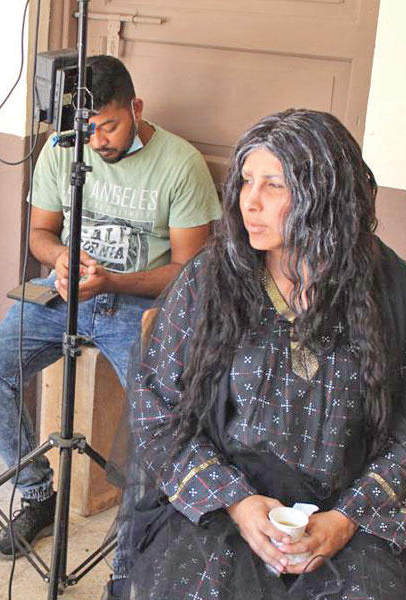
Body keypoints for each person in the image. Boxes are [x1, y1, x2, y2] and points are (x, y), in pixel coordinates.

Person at [111, 109, 406, 599]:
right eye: (246, 180)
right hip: (227, 506)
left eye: (274, 185)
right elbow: (157, 411)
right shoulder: (210, 281)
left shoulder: (389, 290)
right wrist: (238, 503)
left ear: (326, 193)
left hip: (352, 513)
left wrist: (346, 519)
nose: (249, 201)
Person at [0, 55, 222, 559]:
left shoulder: (181, 164)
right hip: (62, 293)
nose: (96, 141)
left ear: (136, 108)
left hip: (137, 304)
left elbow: (189, 271)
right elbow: (41, 234)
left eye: (108, 126)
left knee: (161, 408)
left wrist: (115, 282)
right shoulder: (61, 149)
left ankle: (145, 519)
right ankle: (38, 496)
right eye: (86, 129)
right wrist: (60, 258)